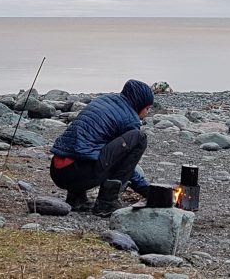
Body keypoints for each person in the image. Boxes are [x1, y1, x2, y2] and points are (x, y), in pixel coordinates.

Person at [50, 79, 154, 217]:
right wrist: (147, 190)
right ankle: (107, 202)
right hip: (78, 173)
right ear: (139, 104)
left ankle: (76, 198)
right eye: (147, 108)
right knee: (139, 138)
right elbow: (123, 163)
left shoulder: (106, 100)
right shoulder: (130, 119)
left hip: (58, 171)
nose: (147, 113)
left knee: (89, 145)